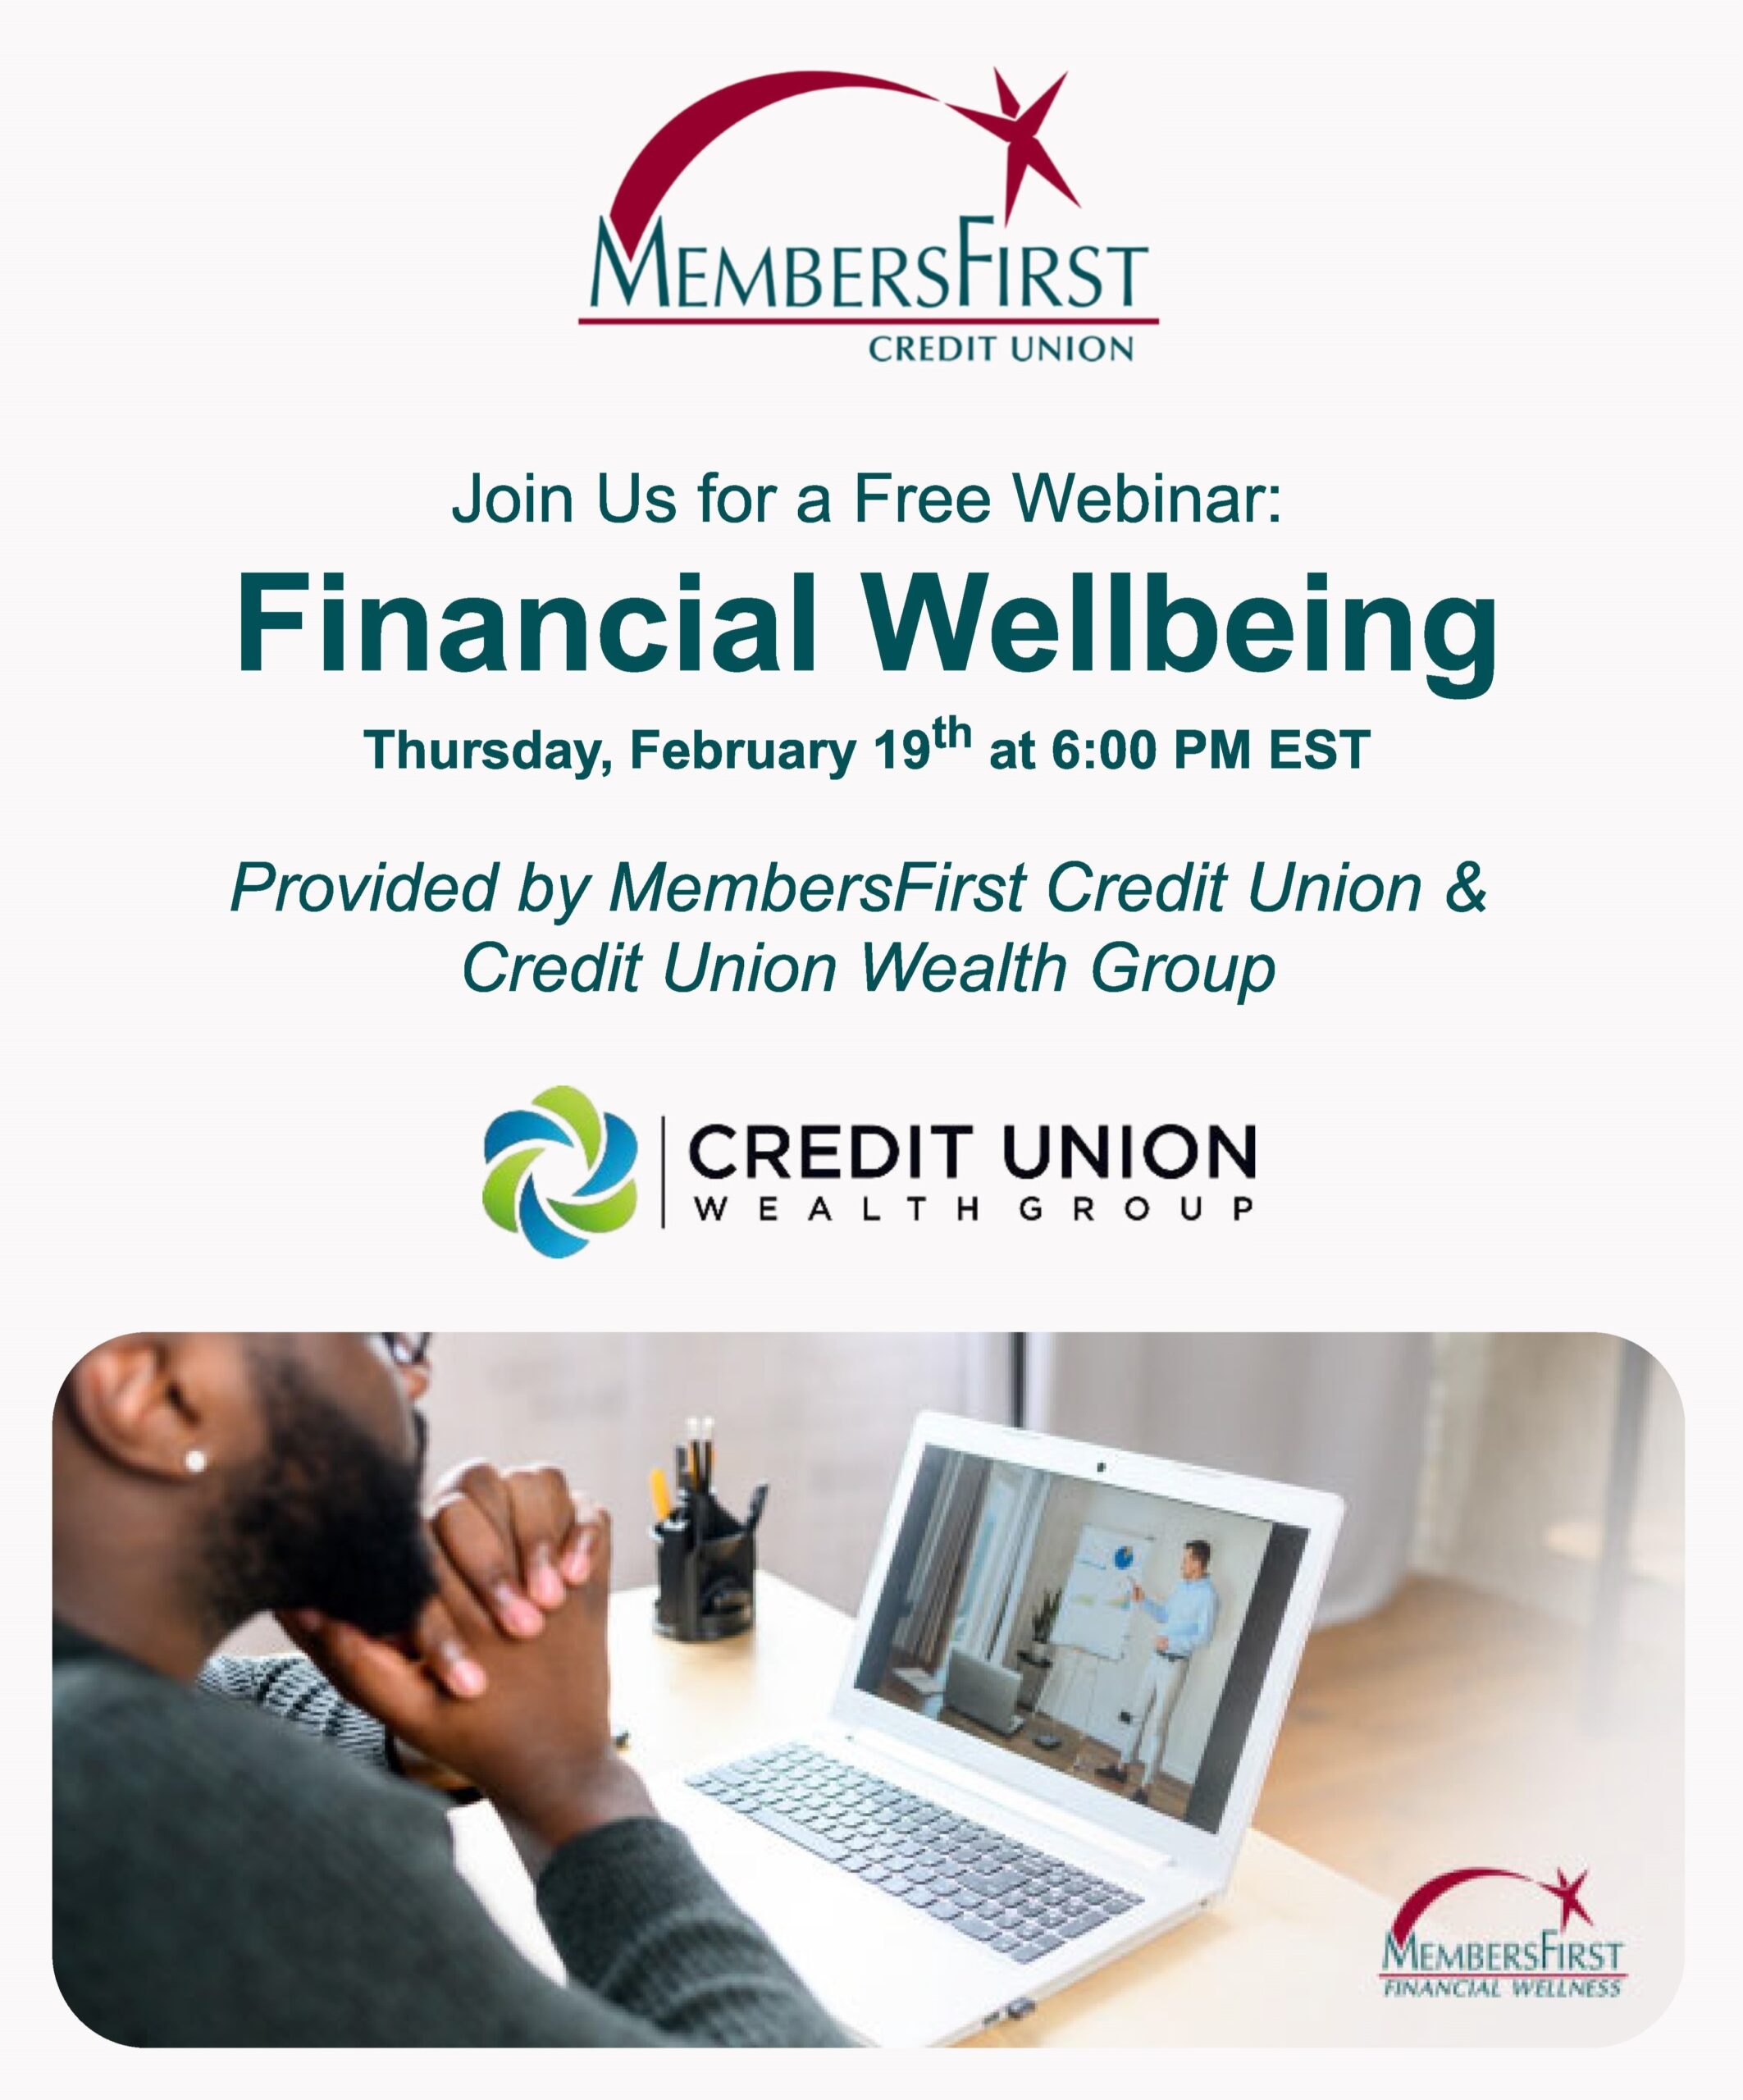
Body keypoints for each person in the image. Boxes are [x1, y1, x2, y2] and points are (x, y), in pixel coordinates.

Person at [52, 1331, 846, 2046]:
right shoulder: (176, 1813)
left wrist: (434, 1716)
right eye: (385, 1335)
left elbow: (224, 1697)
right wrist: (574, 1784)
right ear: (154, 1395)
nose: (417, 1378)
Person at [1095, 1539, 1219, 1807]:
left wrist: (1172, 1643)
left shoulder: (1208, 1596)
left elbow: (1205, 1637)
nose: (1182, 1564)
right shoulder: (1182, 1588)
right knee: (1138, 1715)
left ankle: (1146, 1787)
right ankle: (1122, 1768)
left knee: (1158, 1726)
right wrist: (1144, 1602)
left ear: (1198, 1563)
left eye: (1186, 1559)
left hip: (1175, 1664)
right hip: (1155, 1660)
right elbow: (1165, 1615)